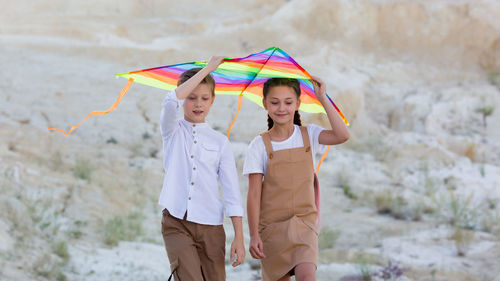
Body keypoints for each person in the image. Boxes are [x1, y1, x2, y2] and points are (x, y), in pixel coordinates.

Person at [243, 77, 349, 281]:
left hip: (305, 225)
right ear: (264, 103)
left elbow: (342, 135)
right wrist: (254, 235)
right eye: (274, 102)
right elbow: (254, 194)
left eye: (288, 102)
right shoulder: (258, 145)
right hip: (272, 231)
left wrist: (322, 98)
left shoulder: (309, 134)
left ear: (298, 104)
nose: (281, 108)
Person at [159, 56, 245, 281]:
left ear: (212, 101)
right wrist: (208, 69)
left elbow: (232, 193)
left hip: (211, 227)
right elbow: (170, 101)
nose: (198, 104)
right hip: (176, 222)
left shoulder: (220, 142)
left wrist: (239, 236)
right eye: (191, 97)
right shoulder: (172, 132)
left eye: (204, 98)